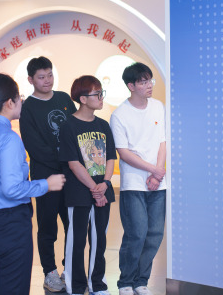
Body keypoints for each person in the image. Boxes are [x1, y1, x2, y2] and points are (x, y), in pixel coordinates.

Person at [0, 74, 65, 295]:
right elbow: (11, 189)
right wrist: (46, 184)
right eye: (19, 97)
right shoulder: (9, 138)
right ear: (10, 103)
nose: (21, 101)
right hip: (10, 225)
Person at [19, 56, 76, 293]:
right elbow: (34, 147)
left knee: (73, 225)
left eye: (50, 75)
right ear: (30, 80)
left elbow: (75, 129)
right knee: (47, 227)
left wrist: (74, 163)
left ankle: (69, 269)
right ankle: (49, 272)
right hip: (45, 178)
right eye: (41, 77)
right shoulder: (27, 107)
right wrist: (64, 160)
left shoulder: (63, 98)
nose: (47, 80)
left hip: (72, 175)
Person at [110, 63, 166, 295]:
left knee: (154, 235)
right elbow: (124, 153)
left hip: (158, 183)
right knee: (137, 234)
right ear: (131, 86)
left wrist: (158, 172)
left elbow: (162, 142)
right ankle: (125, 282)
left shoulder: (158, 107)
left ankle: (141, 281)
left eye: (150, 80)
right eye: (143, 82)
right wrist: (154, 170)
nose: (149, 85)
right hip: (133, 183)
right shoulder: (119, 115)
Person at [59, 75, 116, 295]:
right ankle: (75, 286)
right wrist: (95, 188)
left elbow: (110, 157)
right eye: (97, 94)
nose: (101, 98)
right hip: (79, 192)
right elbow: (74, 163)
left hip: (103, 190)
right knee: (77, 240)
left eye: (102, 93)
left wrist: (106, 184)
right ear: (83, 99)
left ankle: (97, 284)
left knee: (99, 239)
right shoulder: (68, 126)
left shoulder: (103, 125)